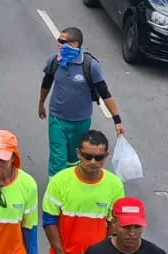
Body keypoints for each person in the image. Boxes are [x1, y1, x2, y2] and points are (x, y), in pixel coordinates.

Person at [41, 129, 123, 254]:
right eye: (87, 156)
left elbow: (113, 223)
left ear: (106, 156)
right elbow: (49, 220)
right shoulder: (60, 181)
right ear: (78, 153)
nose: (93, 162)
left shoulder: (114, 185)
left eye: (99, 158)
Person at [38, 27, 124, 176]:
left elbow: (105, 93)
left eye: (62, 41)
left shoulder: (90, 66)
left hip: (81, 121)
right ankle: (55, 191)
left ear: (74, 44)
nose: (59, 44)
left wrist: (117, 120)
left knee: (74, 158)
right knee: (57, 159)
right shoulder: (55, 61)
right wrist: (41, 104)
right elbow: (46, 83)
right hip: (57, 119)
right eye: (59, 41)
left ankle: (72, 185)